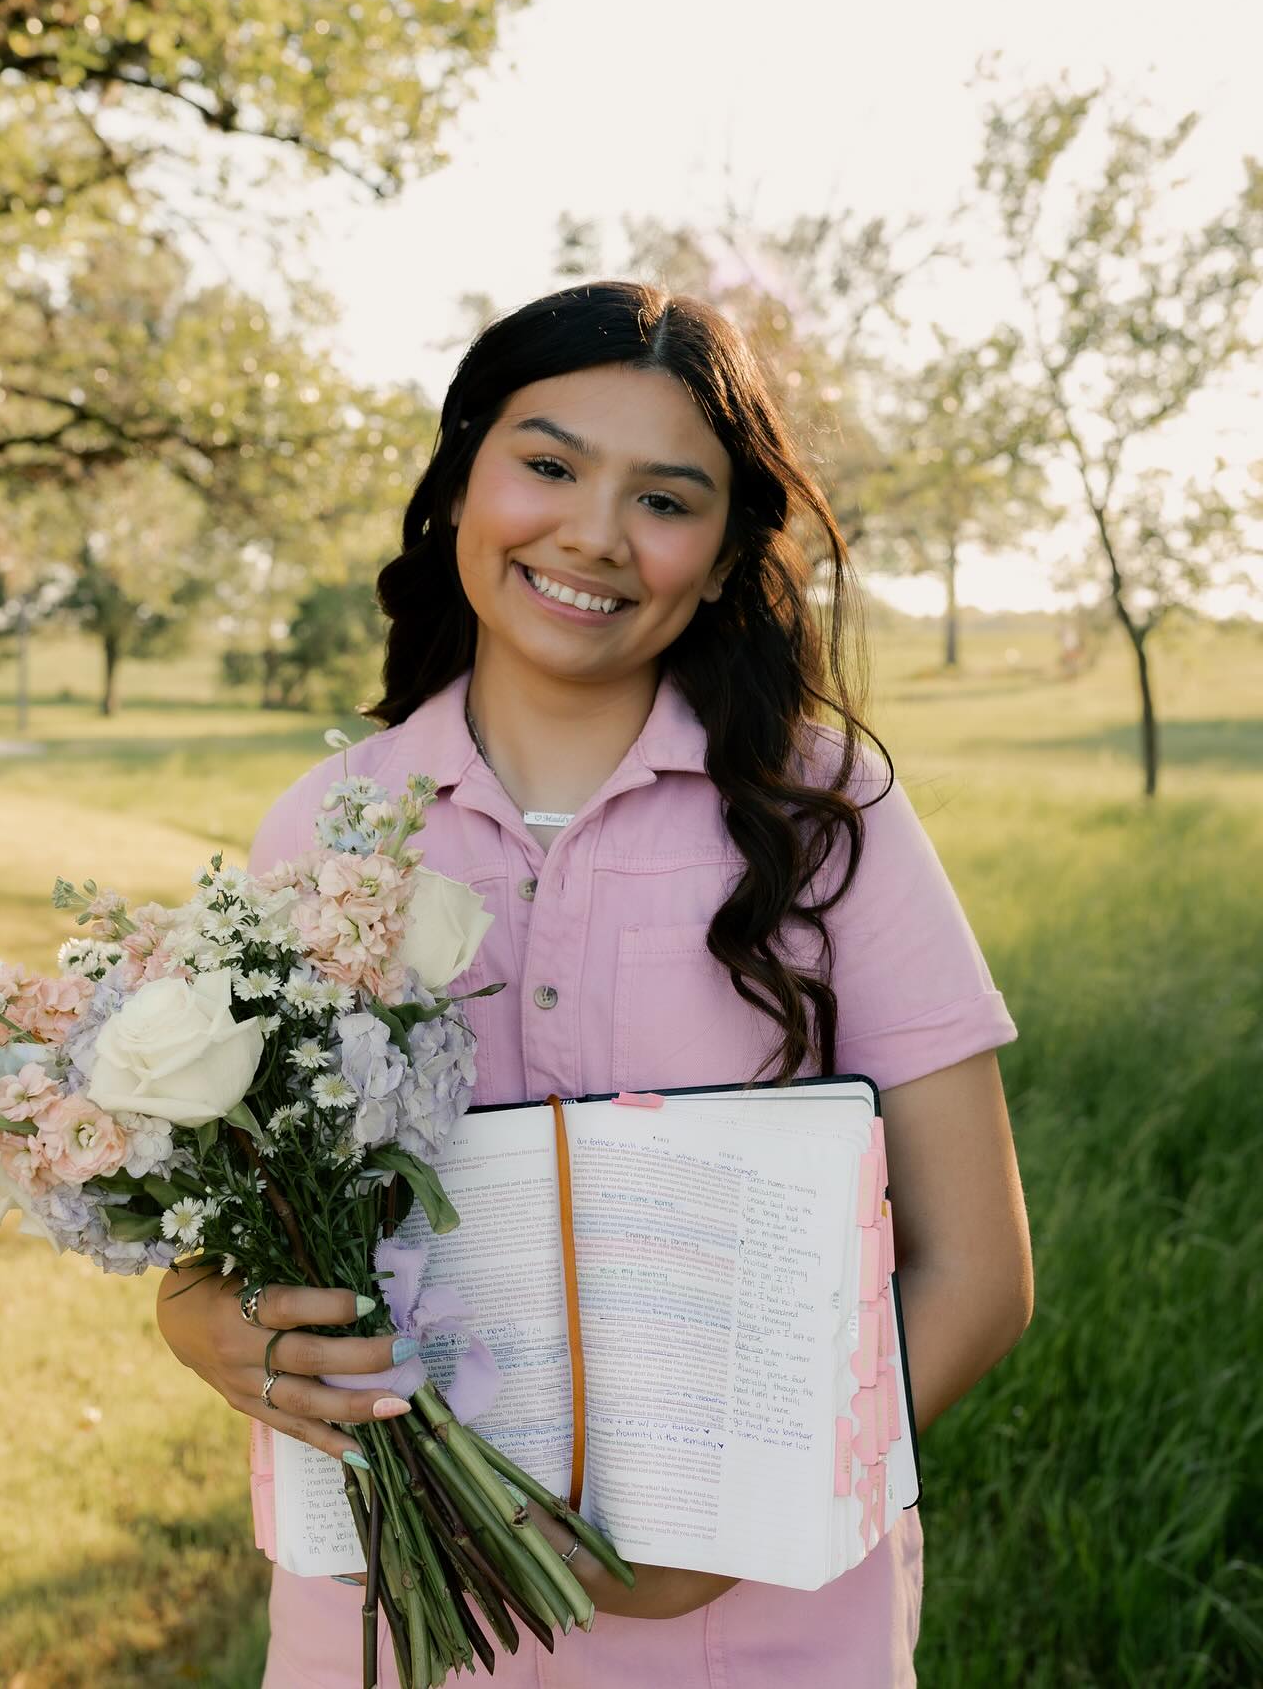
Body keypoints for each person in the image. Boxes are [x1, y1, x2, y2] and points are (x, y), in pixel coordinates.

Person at [155, 280, 1034, 1687]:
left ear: (723, 547)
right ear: (460, 481)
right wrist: (202, 1315)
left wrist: (734, 1534)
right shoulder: (323, 828)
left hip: (753, 1629)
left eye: (666, 498)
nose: (593, 534)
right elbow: (242, 1227)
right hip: (386, 1613)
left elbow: (978, 1274)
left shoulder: (831, 817)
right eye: (549, 464)